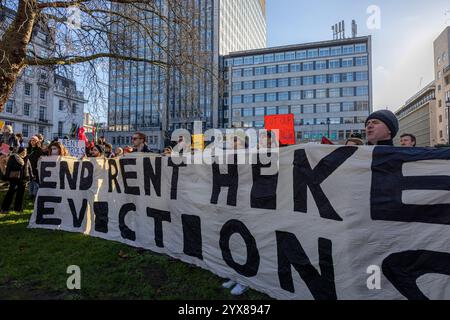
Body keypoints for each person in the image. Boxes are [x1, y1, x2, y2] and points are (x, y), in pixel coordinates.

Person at [0, 147, 32, 213]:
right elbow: (9, 167)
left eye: (25, 151)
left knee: (20, 195)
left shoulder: (26, 159)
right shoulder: (13, 157)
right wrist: (6, 177)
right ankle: (4, 209)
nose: (25, 153)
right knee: (10, 193)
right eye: (23, 151)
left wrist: (31, 176)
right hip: (14, 178)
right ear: (20, 151)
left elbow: (29, 168)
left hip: (23, 179)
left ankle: (18, 209)